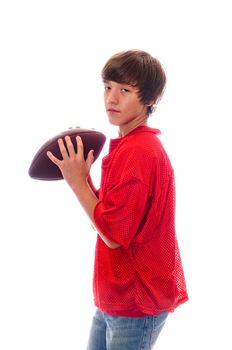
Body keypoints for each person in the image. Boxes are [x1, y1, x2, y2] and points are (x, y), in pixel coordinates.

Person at [47, 49, 188, 350]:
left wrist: (76, 183)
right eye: (108, 87)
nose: (111, 99)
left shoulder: (140, 153)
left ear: (149, 100)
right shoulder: (128, 145)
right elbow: (110, 217)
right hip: (114, 297)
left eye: (124, 90)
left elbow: (113, 234)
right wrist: (83, 177)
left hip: (136, 302)